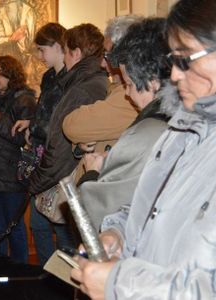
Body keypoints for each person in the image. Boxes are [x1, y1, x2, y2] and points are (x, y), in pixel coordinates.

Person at [72, 0, 216, 298]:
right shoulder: (184, 125)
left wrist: (120, 284)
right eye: (173, 60)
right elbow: (156, 206)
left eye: (186, 59)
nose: (175, 75)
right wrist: (120, 233)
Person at [71, 18, 171, 232]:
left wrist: (93, 173)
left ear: (153, 81)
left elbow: (90, 217)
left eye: (131, 85)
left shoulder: (148, 131)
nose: (127, 93)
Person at [27, 23, 108, 253]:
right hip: (61, 171)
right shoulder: (85, 82)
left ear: (76, 53)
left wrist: (37, 181)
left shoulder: (83, 88)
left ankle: (52, 287)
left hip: (64, 175)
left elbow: (61, 142)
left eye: (66, 50)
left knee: (66, 243)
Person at [10, 22, 68, 266]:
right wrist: (31, 122)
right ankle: (49, 275)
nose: (40, 56)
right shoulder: (49, 77)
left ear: (57, 46)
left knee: (62, 226)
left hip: (59, 159)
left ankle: (67, 280)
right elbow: (46, 114)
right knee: (38, 223)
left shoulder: (71, 78)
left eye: (43, 50)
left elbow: (61, 120)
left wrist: (34, 126)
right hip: (41, 156)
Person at [0, 55, 36, 263]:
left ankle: (19, 273)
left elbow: (25, 139)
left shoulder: (25, 99)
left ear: (12, 75)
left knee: (14, 227)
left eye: (1, 73)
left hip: (12, 173)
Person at [63, 15, 141, 155]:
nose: (103, 64)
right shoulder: (117, 87)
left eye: (107, 57)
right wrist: (79, 145)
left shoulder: (128, 95)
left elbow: (71, 125)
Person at [0, 0, 36, 65]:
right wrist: (12, 38)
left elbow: (30, 40)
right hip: (6, 52)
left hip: (23, 55)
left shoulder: (29, 12)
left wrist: (13, 39)